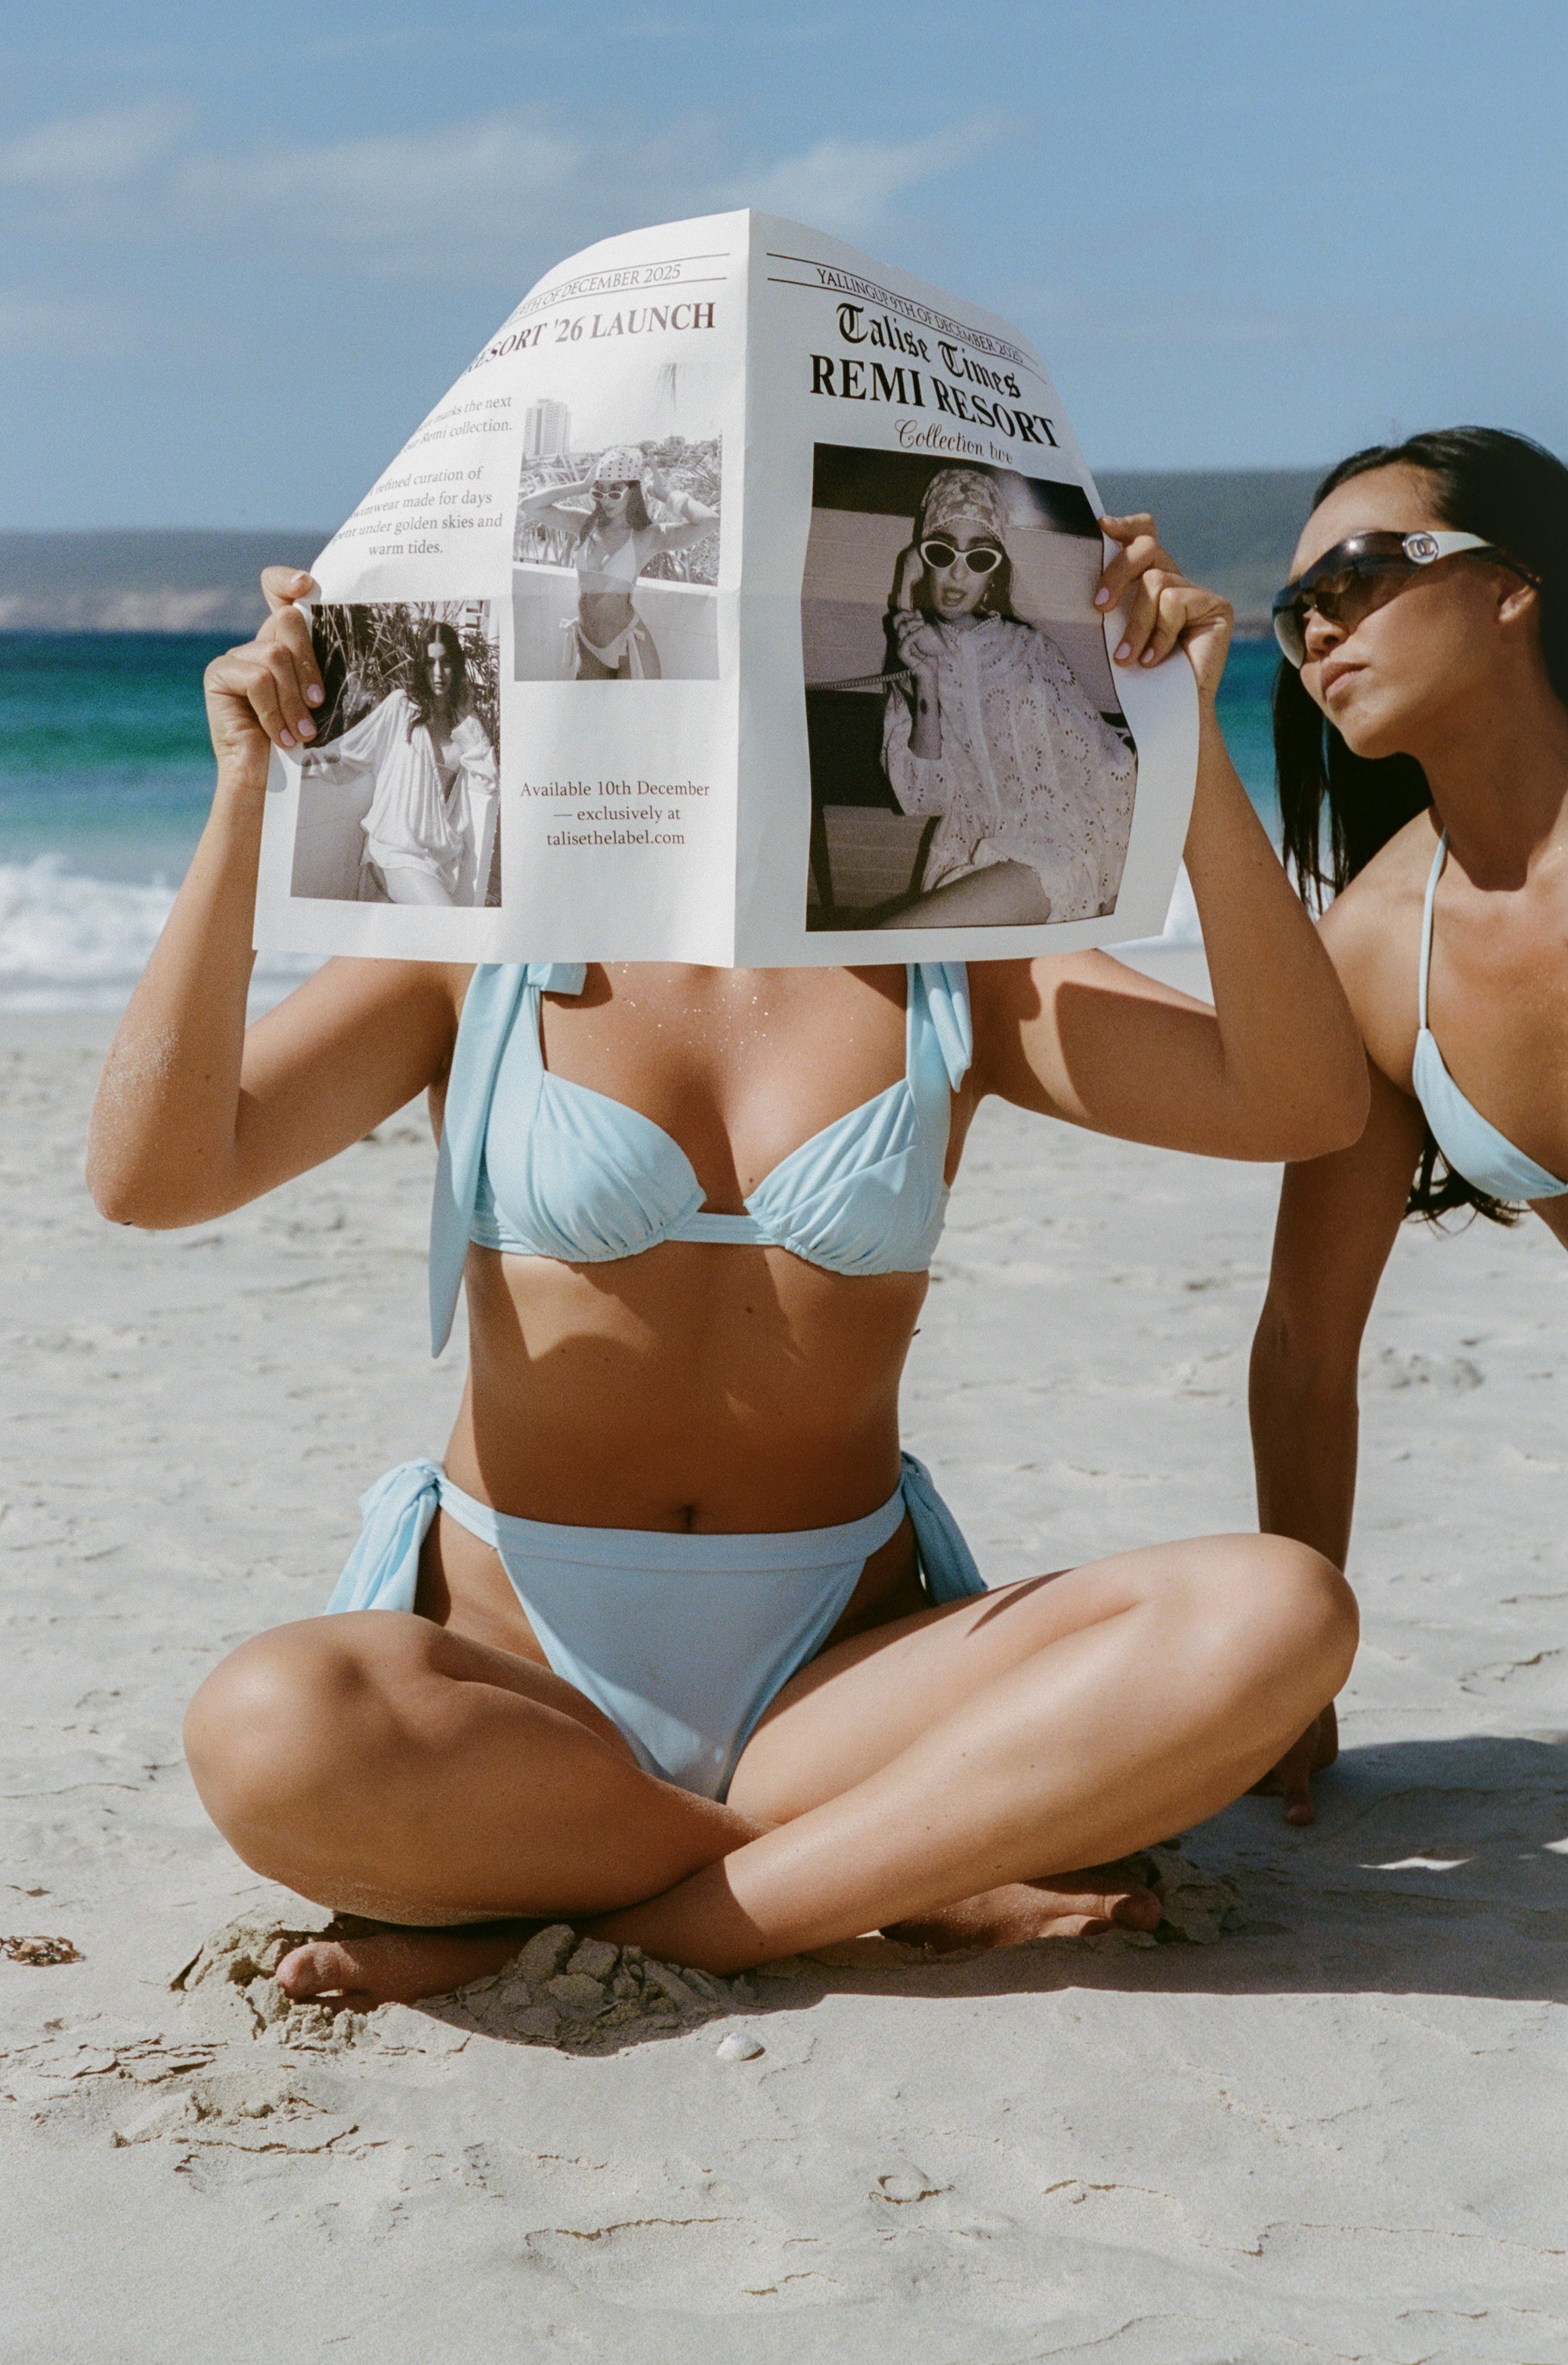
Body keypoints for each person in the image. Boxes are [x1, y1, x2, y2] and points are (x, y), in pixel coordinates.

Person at [86, 515, 1366, 2011]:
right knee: (269, 1723)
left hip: (841, 1666)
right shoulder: (482, 942)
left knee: (1279, 1610)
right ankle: (901, 1868)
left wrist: (1180, 734)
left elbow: (1297, 1101)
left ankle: (656, 1921)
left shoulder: (951, 946)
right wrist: (247, 793)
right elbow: (150, 1175)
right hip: (516, 1674)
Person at [1249, 427, 1568, 1823]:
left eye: (1363, 575)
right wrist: (1292, 1680)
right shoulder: (1378, 949)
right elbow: (1309, 1351)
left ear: (1514, 589)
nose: (1321, 623)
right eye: (1297, 608)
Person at [883, 468, 1138, 929]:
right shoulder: (910, 665)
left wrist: (1111, 889)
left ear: (994, 571)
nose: (958, 573)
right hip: (972, 859)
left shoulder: (1028, 649)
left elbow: (1104, 763)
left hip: (1053, 848)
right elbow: (924, 797)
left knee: (895, 937)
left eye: (978, 559)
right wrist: (926, 679)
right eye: (942, 553)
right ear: (922, 562)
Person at [302, 620, 496, 907]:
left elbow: (488, 781)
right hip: (395, 852)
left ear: (457, 665)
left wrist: (468, 719)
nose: (439, 673)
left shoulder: (463, 723)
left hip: (441, 860)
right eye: (430, 663)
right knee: (448, 925)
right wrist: (305, 758)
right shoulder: (402, 706)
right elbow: (351, 747)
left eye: (446, 662)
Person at [515, 445, 718, 679]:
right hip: (587, 643)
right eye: (599, 491)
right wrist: (581, 486)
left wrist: (666, 495)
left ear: (632, 492)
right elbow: (529, 506)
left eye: (615, 492)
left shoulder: (647, 536)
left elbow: (709, 522)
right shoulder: (584, 525)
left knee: (633, 715)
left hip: (628, 644)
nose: (606, 499)